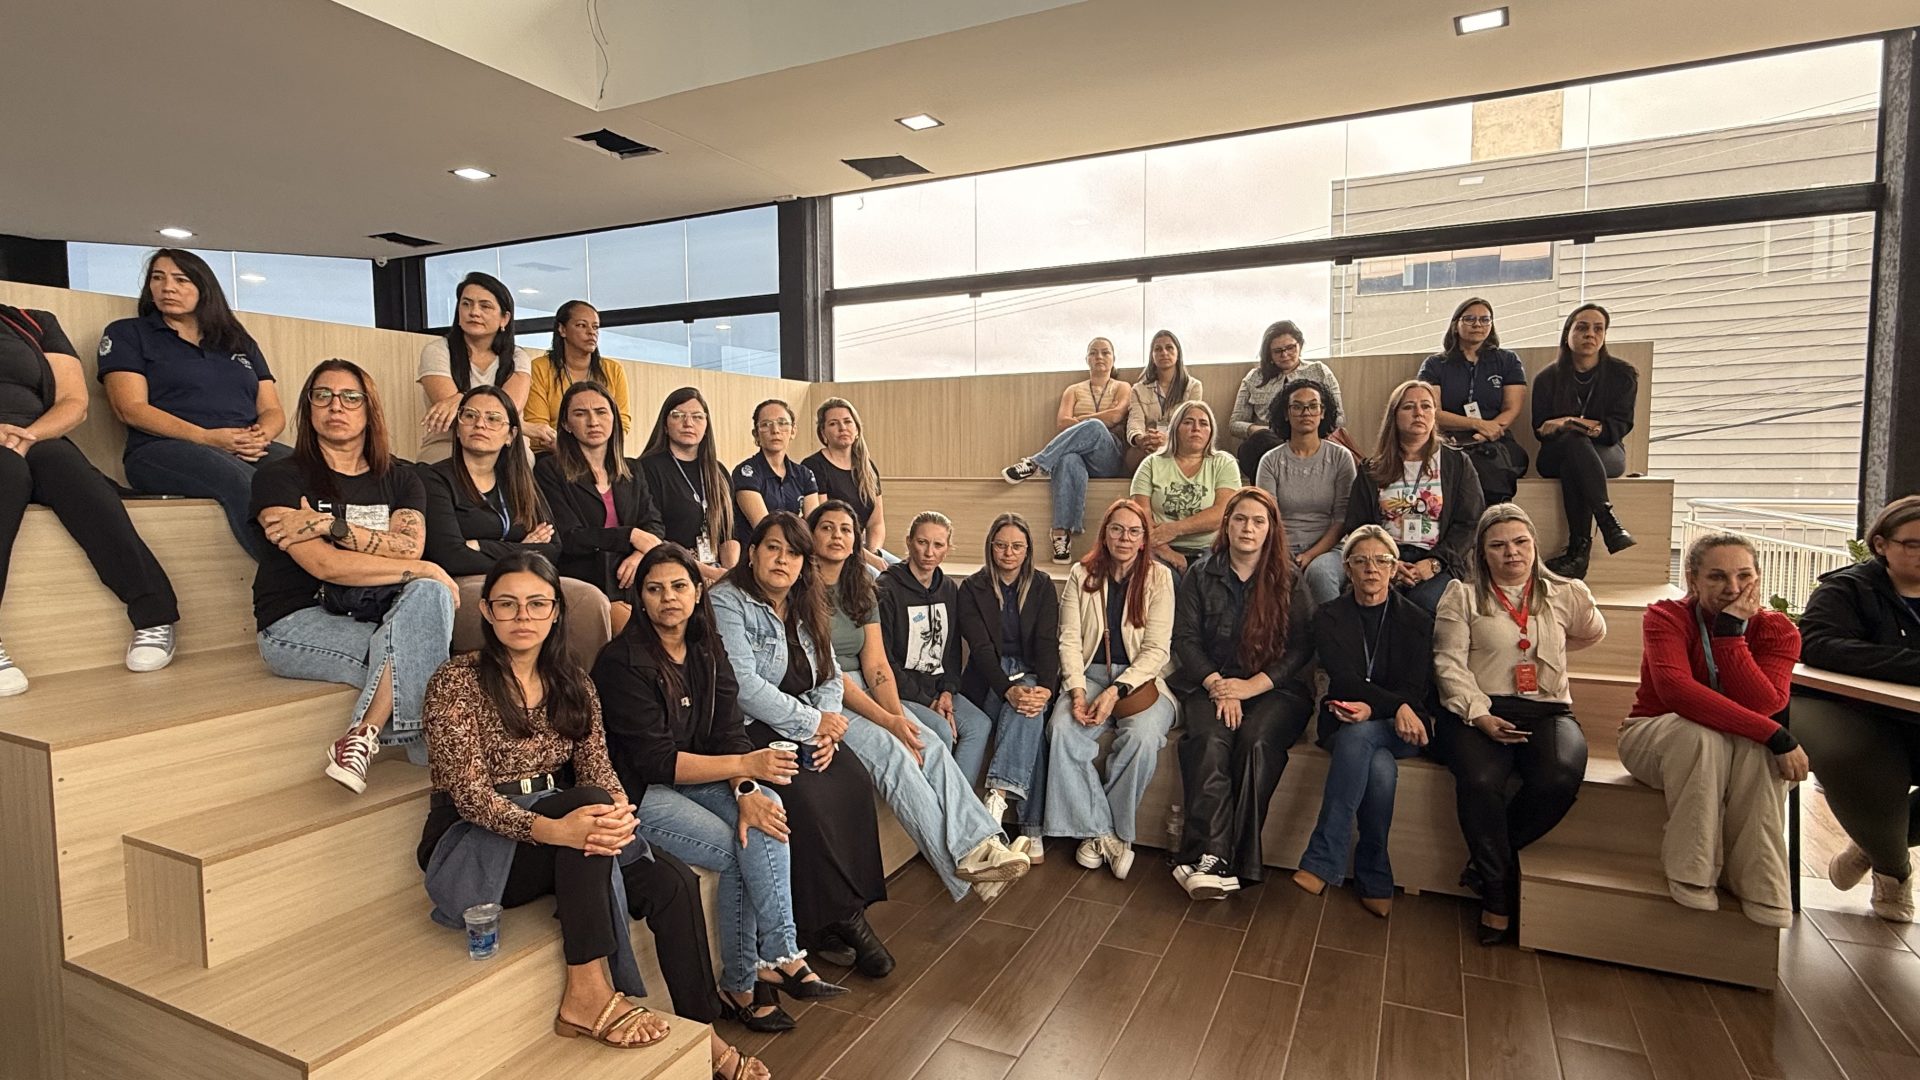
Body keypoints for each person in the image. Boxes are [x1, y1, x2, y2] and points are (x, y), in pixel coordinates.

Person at [418, 555, 769, 1078]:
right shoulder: (457, 681)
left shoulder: (573, 682)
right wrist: (555, 827)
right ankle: (586, 993)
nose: (523, 616)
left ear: (556, 612)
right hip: (476, 842)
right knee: (582, 805)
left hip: (563, 833)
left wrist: (620, 814)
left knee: (671, 882)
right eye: (507, 604)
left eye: (537, 603)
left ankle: (705, 1033)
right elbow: (469, 796)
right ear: (486, 612)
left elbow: (600, 770)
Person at [592, 543, 847, 1038]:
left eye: (679, 586)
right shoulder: (620, 662)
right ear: (640, 599)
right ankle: (749, 978)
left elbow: (729, 728)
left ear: (697, 592)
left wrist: (747, 787)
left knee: (766, 807)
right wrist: (744, 765)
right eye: (654, 589)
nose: (668, 598)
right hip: (641, 791)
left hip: (704, 776)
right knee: (737, 846)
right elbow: (656, 762)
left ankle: (778, 957)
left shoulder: (708, 648)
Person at [250, 360, 457, 792]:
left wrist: (330, 525)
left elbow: (409, 546)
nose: (335, 406)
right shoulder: (280, 477)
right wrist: (423, 566)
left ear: (369, 409)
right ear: (308, 408)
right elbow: (325, 566)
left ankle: (361, 735)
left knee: (429, 593)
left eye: (350, 397)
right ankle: (434, 759)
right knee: (420, 650)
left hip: (377, 612)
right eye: (322, 396)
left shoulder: (402, 478)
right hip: (297, 620)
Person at [809, 503, 1030, 904]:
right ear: (810, 535)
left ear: (857, 539)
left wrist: (899, 718)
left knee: (926, 742)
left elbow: (877, 665)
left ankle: (983, 847)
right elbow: (830, 674)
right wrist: (889, 722)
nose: (837, 535)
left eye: (846, 529)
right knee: (897, 755)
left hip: (868, 684)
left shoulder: (860, 587)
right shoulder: (802, 591)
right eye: (827, 527)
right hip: (824, 694)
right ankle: (966, 869)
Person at [709, 513, 895, 978]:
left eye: (793, 553)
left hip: (805, 720)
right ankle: (842, 920)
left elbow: (830, 672)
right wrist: (813, 723)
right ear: (752, 552)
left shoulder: (805, 599)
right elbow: (744, 687)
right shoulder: (726, 600)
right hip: (748, 727)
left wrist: (826, 727)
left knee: (852, 781)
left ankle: (843, 912)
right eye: (773, 548)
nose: (782, 560)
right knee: (807, 800)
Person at [1433, 503, 1604, 944]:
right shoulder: (1462, 596)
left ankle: (1486, 865)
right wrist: (1480, 714)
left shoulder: (1566, 593)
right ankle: (1497, 896)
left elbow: (1591, 632)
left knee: (1560, 775)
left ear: (1534, 545)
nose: (1511, 552)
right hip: (1477, 709)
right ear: (1482, 552)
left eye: (1520, 542)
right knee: (1480, 781)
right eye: (1498, 545)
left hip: (1547, 709)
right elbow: (1449, 664)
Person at [1619, 533, 1807, 929]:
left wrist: (1730, 634)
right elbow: (1677, 693)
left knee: (1757, 750)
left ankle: (1760, 882)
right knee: (1704, 736)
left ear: (1758, 577)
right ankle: (1691, 868)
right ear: (1693, 579)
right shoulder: (1666, 617)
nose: (1733, 588)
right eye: (1717, 576)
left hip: (1737, 747)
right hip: (1654, 735)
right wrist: (1777, 735)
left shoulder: (1778, 630)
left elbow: (1763, 704)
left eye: (1744, 576)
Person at [0, 304, 178, 697]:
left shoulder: (31, 322)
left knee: (69, 469)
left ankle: (153, 615)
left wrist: (28, 436)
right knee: (5, 471)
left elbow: (73, 402)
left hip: (36, 435)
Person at [97, 249, 292, 560]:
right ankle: (285, 576)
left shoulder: (238, 341)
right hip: (162, 449)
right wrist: (206, 437)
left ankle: (347, 565)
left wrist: (260, 436)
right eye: (158, 278)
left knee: (312, 473)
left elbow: (271, 409)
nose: (167, 288)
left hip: (243, 445)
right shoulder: (127, 333)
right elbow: (129, 408)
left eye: (181, 280)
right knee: (243, 481)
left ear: (204, 288)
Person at [1170, 488, 1314, 899]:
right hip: (1211, 683)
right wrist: (1219, 685)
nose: (1248, 528)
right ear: (1226, 524)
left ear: (1271, 529)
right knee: (1210, 739)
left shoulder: (1289, 578)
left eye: (1258, 521)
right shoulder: (1200, 573)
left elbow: (1302, 648)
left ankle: (1232, 860)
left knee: (1254, 742)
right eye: (1240, 519)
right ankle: (1213, 857)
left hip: (1275, 689)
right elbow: (1186, 639)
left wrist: (1251, 687)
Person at [1291, 525, 1436, 918]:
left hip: (1405, 726)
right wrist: (1391, 706)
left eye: (1381, 560)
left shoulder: (1418, 620)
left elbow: (1415, 688)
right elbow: (1346, 680)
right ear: (1347, 569)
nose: (1371, 568)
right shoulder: (1328, 617)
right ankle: (1374, 872)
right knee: (1375, 761)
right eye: (1361, 561)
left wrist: (1384, 709)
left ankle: (1323, 858)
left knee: (1363, 736)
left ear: (1394, 568)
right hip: (1344, 718)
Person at [1793, 495, 1920, 923]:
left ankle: (1875, 841)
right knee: (1856, 756)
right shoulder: (1847, 589)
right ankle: (1893, 872)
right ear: (1881, 545)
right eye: (1914, 544)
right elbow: (1818, 645)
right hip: (1857, 712)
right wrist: (1910, 665)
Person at [420, 385, 610, 655]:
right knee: (504, 606)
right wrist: (523, 549)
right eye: (470, 415)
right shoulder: (434, 478)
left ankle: (575, 682)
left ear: (510, 435)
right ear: (458, 428)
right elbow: (450, 555)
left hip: (526, 576)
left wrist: (482, 545)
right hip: (465, 581)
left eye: (493, 418)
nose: (480, 424)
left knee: (590, 599)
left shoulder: (520, 481)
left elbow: (553, 547)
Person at [1045, 499, 1179, 879]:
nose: (1124, 538)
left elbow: (1157, 651)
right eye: (1117, 529)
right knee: (1061, 729)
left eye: (1134, 531)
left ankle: (1104, 833)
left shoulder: (1160, 577)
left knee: (1143, 737)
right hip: (1088, 674)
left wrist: (1116, 690)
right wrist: (1076, 691)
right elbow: (1069, 639)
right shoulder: (1080, 573)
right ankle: (1105, 834)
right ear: (1104, 534)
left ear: (1144, 540)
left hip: (1141, 681)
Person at [958, 513, 1060, 861]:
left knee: (1030, 708)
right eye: (1001, 545)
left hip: (1031, 672)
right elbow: (981, 650)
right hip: (989, 676)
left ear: (1028, 549)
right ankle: (1031, 829)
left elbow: (1047, 642)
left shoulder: (1042, 585)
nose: (1008, 553)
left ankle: (996, 802)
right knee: (1027, 715)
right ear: (990, 547)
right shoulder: (972, 588)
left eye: (1017, 546)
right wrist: (1007, 690)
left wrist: (1046, 688)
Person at [534, 382, 665, 637]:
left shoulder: (632, 469)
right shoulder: (549, 470)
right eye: (580, 413)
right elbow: (568, 537)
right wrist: (629, 535)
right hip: (586, 577)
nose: (593, 421)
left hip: (634, 572)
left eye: (601, 412)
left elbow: (654, 524)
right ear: (566, 424)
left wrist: (639, 555)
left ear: (614, 418)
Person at [1343, 379, 1485, 614]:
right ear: (1394, 416)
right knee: (1373, 601)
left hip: (1439, 561)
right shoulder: (1371, 468)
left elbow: (1470, 523)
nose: (1418, 413)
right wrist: (1388, 562)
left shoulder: (1457, 463)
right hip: (1383, 560)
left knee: (1422, 603)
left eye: (1426, 406)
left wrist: (1434, 563)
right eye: (1409, 407)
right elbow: (1358, 523)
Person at [877, 512, 995, 783]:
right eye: (922, 542)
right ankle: (947, 799)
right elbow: (883, 658)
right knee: (941, 729)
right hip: (902, 692)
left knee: (979, 725)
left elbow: (952, 651)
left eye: (938, 545)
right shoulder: (887, 588)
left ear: (948, 548)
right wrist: (927, 701)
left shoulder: (949, 589)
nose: (929, 552)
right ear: (909, 542)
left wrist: (947, 693)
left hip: (938, 691)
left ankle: (959, 802)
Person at [1001, 337, 1135, 564]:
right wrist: (1094, 420)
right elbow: (1063, 422)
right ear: (1087, 359)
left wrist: (1082, 420)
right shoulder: (1073, 390)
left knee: (1095, 427)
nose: (1099, 357)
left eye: (1105, 352)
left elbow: (1115, 416)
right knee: (1068, 459)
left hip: (1109, 456)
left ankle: (1035, 463)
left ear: (1114, 358)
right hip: (1079, 458)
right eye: (1094, 353)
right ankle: (1061, 535)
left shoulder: (1122, 387)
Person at [1533, 304, 1640, 579]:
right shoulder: (1547, 378)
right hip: (1554, 454)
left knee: (1574, 456)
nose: (1590, 334)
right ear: (1567, 333)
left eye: (1598, 329)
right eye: (1582, 327)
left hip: (1607, 453)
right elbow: (1541, 430)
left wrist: (1570, 422)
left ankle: (1578, 553)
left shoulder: (1622, 375)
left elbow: (1618, 427)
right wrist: (1581, 427)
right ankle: (1607, 522)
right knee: (1573, 443)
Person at [1416, 297, 1530, 506]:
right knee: (1462, 463)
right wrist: (1477, 424)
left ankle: (1494, 517)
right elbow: (1433, 413)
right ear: (1455, 325)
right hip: (1449, 440)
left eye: (1485, 320)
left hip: (1494, 438)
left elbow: (1511, 408)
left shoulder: (1508, 361)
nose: (1478, 324)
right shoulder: (1435, 364)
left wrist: (1488, 431)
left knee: (1495, 463)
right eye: (1470, 319)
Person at [1254, 378, 1356, 609]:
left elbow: (1342, 519)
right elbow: (1268, 517)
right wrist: (1282, 552)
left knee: (1319, 574)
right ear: (1286, 413)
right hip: (1280, 546)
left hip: (1330, 548)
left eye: (1313, 406)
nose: (1306, 412)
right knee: (1271, 575)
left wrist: (1310, 555)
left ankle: (1331, 631)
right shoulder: (1270, 461)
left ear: (1323, 412)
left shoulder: (1341, 458)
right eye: (1297, 406)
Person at [416, 272, 532, 462]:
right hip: (449, 445)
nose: (474, 312)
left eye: (485, 306)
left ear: (504, 318)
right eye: (466, 304)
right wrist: (527, 427)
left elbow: (508, 410)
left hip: (504, 444)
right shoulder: (437, 350)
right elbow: (461, 419)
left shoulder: (517, 357)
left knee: (521, 461)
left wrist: (459, 397)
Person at [638, 387, 738, 586]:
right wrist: (709, 572)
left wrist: (731, 573)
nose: (688, 423)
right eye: (678, 415)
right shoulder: (647, 468)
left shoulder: (718, 471)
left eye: (697, 417)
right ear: (665, 425)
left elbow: (729, 535)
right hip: (669, 570)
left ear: (706, 425)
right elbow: (652, 537)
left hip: (716, 572)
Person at [1128, 399, 1240, 574]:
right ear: (1175, 429)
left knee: (1202, 579)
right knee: (1160, 577)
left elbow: (1221, 514)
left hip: (1210, 549)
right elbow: (1140, 516)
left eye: (1203, 423)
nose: (1196, 428)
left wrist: (1175, 529)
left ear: (1211, 432)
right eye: (1188, 422)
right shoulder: (1151, 464)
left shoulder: (1224, 462)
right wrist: (1167, 552)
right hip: (1159, 548)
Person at [1230, 320, 1346, 482]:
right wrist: (1259, 430)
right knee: (1258, 443)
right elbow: (1235, 424)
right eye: (1277, 351)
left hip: (1312, 437)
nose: (1285, 355)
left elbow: (1339, 418)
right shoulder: (1254, 377)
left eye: (1290, 348)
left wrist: (1310, 430)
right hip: (1267, 441)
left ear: (1300, 345)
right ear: (1269, 354)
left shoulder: (1319, 371)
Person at [522, 300, 632, 453]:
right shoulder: (540, 368)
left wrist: (597, 451)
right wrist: (576, 452)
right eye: (581, 325)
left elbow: (622, 422)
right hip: (553, 453)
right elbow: (539, 427)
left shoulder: (613, 370)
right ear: (562, 329)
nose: (591, 332)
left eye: (595, 327)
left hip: (601, 453)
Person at [802, 397, 894, 572]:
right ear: (823, 433)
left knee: (905, 574)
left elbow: (876, 523)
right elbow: (821, 525)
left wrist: (873, 551)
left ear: (857, 429)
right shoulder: (813, 466)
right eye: (833, 424)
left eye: (847, 422)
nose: (842, 428)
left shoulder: (867, 468)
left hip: (864, 549)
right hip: (835, 548)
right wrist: (867, 558)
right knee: (878, 577)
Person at [733, 399, 822, 540]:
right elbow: (764, 528)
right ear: (756, 434)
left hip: (797, 548)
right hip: (760, 549)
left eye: (782, 423)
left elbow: (813, 525)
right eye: (766, 424)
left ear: (793, 431)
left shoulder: (804, 474)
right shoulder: (746, 472)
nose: (775, 430)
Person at [1123, 330, 1203, 472]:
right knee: (1132, 456)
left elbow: (1189, 423)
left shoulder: (1193, 387)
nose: (1164, 352)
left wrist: (1167, 439)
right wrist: (1141, 439)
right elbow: (1135, 421)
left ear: (1178, 353)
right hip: (1148, 446)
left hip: (1178, 444)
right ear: (1152, 356)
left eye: (1169, 348)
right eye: (1158, 349)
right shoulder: (1138, 389)